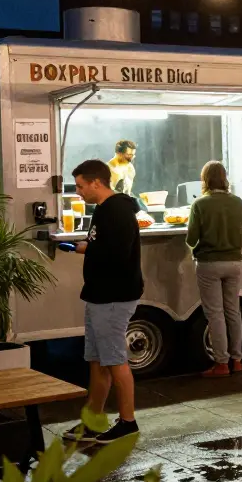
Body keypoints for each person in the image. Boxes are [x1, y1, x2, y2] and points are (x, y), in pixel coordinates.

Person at [61, 159, 143, 445]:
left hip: (113, 296)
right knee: (98, 361)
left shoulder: (117, 211)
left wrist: (91, 251)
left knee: (115, 359)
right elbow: (102, 247)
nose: (79, 192)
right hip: (98, 294)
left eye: (81, 186)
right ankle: (93, 421)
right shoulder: (104, 210)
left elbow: (116, 255)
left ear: (97, 182)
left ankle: (128, 422)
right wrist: (84, 247)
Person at [186, 160, 242, 378]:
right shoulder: (239, 203)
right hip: (234, 262)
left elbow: (191, 238)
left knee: (215, 314)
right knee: (233, 311)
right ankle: (237, 360)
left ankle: (221, 364)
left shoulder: (200, 205)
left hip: (209, 263)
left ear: (205, 179)